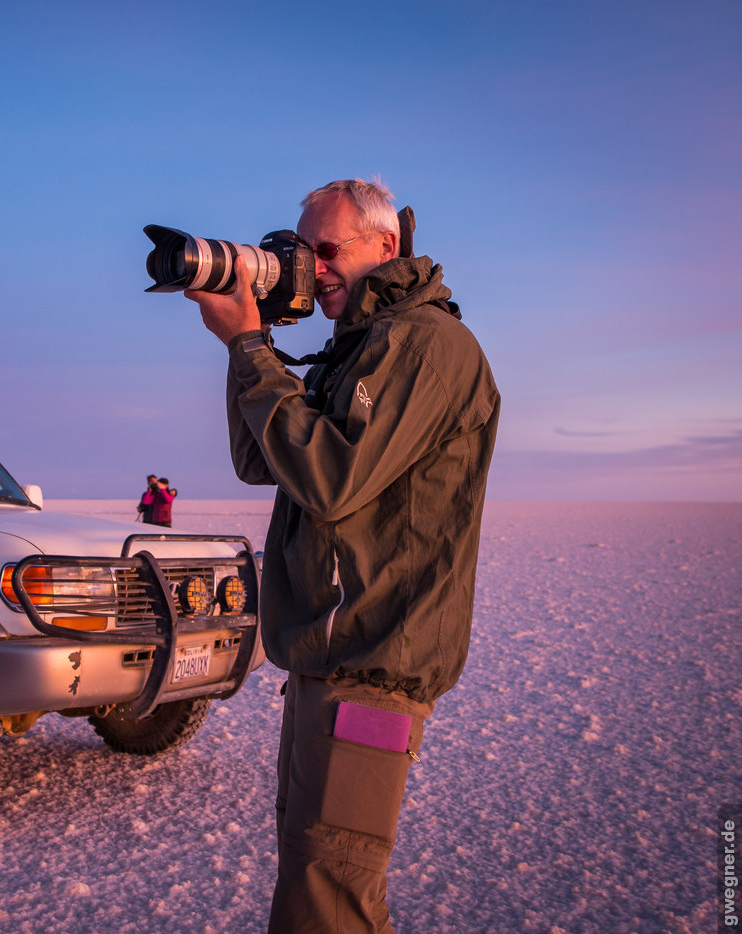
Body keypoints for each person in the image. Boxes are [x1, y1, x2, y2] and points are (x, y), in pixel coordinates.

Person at [184, 178, 499, 933]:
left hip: (372, 671)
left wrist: (250, 346)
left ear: (385, 246)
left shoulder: (423, 344)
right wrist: (248, 349)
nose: (311, 267)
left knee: (328, 906)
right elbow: (263, 461)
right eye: (299, 252)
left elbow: (330, 479)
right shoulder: (358, 346)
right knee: (314, 883)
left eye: (326, 250)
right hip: (327, 665)